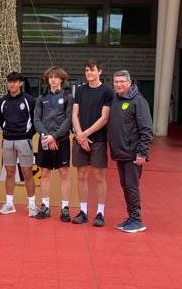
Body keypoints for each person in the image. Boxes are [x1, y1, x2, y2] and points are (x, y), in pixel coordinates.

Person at [108, 70, 153, 233]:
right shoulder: (116, 100)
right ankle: (131, 217)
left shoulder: (138, 101)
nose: (119, 84)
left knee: (132, 187)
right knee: (125, 186)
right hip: (121, 153)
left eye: (122, 82)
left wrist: (142, 153)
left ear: (129, 83)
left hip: (133, 154)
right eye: (116, 82)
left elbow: (147, 129)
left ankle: (137, 219)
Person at [71, 59, 114, 226]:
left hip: (98, 140)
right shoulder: (80, 91)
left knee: (99, 177)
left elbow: (104, 118)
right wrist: (80, 135)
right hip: (80, 139)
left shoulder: (107, 92)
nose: (89, 73)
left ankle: (100, 213)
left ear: (100, 72)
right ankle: (82, 211)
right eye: (87, 70)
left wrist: (85, 134)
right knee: (81, 176)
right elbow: (75, 114)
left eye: (92, 70)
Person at [33, 66, 73, 222]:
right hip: (44, 140)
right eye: (50, 77)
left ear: (61, 79)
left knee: (64, 173)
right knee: (44, 173)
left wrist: (54, 137)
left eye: (56, 77)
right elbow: (37, 119)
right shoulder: (41, 98)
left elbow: (68, 119)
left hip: (61, 140)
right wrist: (46, 136)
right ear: (47, 79)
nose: (53, 79)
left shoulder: (68, 97)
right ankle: (45, 206)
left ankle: (64, 208)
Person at [0, 72, 37, 215]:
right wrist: (7, 132)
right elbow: (0, 120)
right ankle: (9, 204)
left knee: (27, 173)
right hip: (8, 140)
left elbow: (35, 120)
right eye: (10, 82)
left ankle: (32, 205)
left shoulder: (29, 100)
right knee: (9, 173)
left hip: (24, 140)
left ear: (20, 83)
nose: (12, 84)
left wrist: (27, 135)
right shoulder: (2, 101)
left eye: (15, 82)